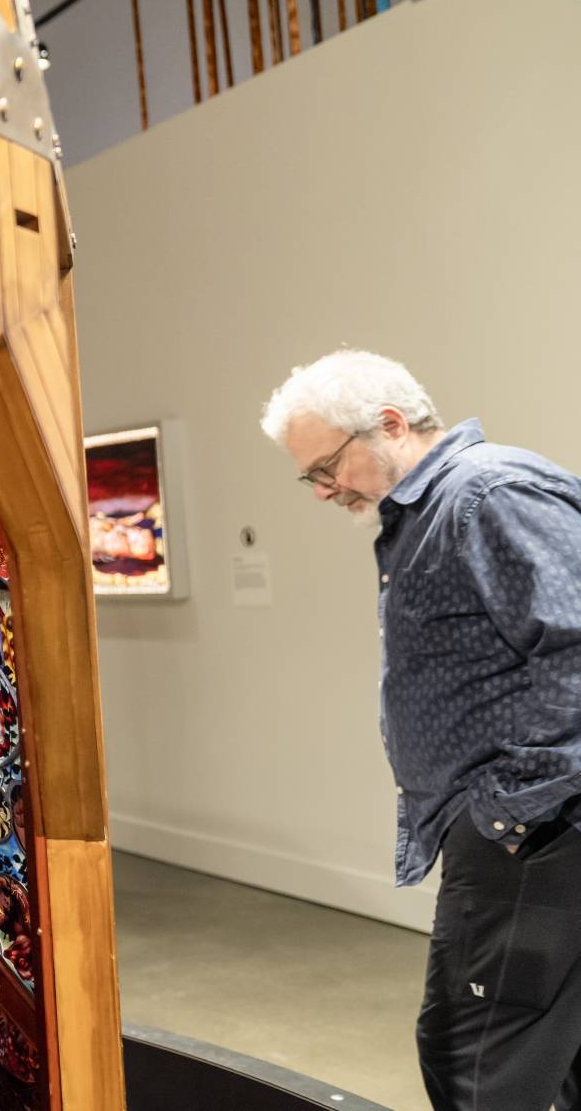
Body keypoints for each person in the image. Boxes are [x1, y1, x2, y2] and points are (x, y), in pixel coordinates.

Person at [261, 350, 581, 1109]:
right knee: (545, 1058)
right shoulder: (438, 511)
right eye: (310, 476)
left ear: (392, 425)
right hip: (529, 834)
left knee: (473, 1064)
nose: (322, 490)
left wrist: (507, 811)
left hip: (535, 839)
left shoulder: (486, 496)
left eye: (325, 467)